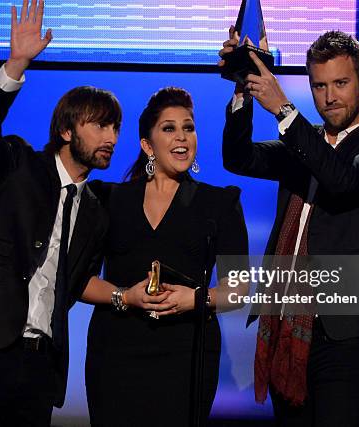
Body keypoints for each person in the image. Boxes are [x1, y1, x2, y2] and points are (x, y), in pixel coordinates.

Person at [0, 0, 122, 425]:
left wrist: (123, 297)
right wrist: (15, 64)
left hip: (39, 367)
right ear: (67, 130)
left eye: (115, 128)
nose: (110, 136)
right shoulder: (16, 164)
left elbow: (74, 284)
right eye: (99, 125)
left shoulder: (95, 209)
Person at [219, 30, 359, 426]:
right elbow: (238, 158)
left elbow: (342, 179)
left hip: (344, 332)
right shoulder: (304, 147)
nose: (329, 97)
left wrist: (283, 110)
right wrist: (243, 85)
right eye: (319, 85)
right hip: (285, 322)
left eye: (341, 83)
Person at [79, 87, 249, 426]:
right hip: (115, 354)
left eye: (189, 127)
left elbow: (239, 289)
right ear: (147, 145)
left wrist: (196, 299)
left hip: (186, 357)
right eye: (169, 128)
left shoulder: (220, 204)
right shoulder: (108, 199)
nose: (182, 137)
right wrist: (125, 296)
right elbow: (78, 280)